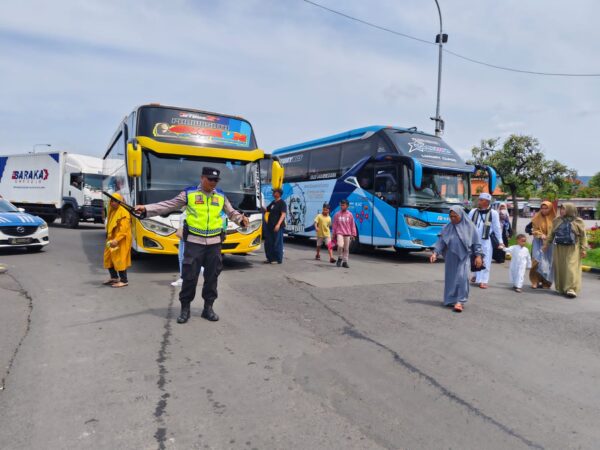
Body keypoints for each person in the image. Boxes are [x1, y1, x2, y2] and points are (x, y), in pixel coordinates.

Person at [135, 167, 249, 324]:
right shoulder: (189, 194)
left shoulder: (221, 196)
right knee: (189, 277)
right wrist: (147, 209)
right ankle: (185, 309)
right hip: (194, 243)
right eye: (210, 179)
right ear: (202, 178)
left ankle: (208, 308)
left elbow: (231, 213)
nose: (213, 183)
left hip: (214, 244)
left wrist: (240, 219)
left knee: (212, 277)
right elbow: (169, 205)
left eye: (216, 180)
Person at [430, 206, 483, 312]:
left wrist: (478, 255)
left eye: (455, 216)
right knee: (451, 279)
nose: (453, 218)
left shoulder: (470, 227)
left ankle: (460, 301)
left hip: (464, 256)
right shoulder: (447, 227)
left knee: (462, 277)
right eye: (451, 216)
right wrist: (435, 253)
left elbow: (476, 242)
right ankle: (450, 300)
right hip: (451, 256)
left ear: (461, 215)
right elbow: (441, 242)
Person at [544, 203, 588, 298]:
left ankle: (571, 288)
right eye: (561, 209)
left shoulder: (578, 221)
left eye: (564, 209)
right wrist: (546, 244)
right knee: (560, 267)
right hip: (559, 248)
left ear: (570, 210)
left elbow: (583, 236)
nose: (562, 211)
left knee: (570, 267)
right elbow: (551, 234)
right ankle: (561, 288)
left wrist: (583, 249)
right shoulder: (557, 220)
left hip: (573, 248)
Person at [468, 192, 504, 289]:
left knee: (486, 259)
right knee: (474, 257)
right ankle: (476, 275)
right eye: (479, 199)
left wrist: (500, 241)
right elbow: (467, 224)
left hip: (485, 240)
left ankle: (483, 280)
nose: (479, 201)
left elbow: (497, 228)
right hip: (474, 239)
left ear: (487, 202)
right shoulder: (473, 211)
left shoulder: (494, 213)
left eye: (481, 200)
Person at [103, 193, 132, 288]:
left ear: (119, 202)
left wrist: (116, 240)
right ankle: (114, 277)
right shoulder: (112, 210)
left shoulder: (123, 212)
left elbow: (124, 230)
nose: (112, 203)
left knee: (120, 259)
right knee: (108, 258)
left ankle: (124, 280)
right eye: (111, 200)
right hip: (111, 240)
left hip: (120, 240)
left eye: (115, 201)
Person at [530, 200, 556, 289]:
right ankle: (535, 281)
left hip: (550, 243)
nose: (544, 210)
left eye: (546, 208)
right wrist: (540, 235)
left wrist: (549, 237)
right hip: (538, 241)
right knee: (536, 261)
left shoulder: (555, 219)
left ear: (550, 209)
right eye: (542, 208)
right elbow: (534, 230)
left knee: (549, 263)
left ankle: (546, 282)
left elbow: (556, 231)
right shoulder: (536, 218)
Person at [263, 188, 287, 264]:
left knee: (277, 243)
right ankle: (270, 258)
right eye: (273, 192)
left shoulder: (282, 203)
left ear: (279, 194)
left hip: (278, 227)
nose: (273, 193)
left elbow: (283, 214)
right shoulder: (273, 202)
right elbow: (266, 209)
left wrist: (278, 224)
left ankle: (278, 259)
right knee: (268, 242)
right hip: (270, 226)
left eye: (274, 192)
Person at [332, 199, 357, 268]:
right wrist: (333, 234)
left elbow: (352, 225)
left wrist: (353, 234)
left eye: (343, 205)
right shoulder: (337, 214)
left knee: (346, 249)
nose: (341, 206)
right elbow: (334, 225)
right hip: (339, 233)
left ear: (347, 206)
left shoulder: (350, 215)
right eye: (341, 205)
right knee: (340, 245)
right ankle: (340, 258)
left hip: (347, 234)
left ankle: (345, 262)